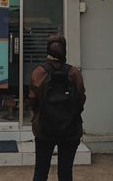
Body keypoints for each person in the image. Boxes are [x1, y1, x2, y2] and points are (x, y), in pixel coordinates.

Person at [29, 33, 86, 181]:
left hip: (44, 129)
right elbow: (81, 99)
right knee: (66, 173)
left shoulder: (39, 72)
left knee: (40, 173)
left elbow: (32, 100)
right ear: (64, 50)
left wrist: (40, 113)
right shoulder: (74, 73)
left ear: (47, 50)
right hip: (70, 130)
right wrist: (70, 114)